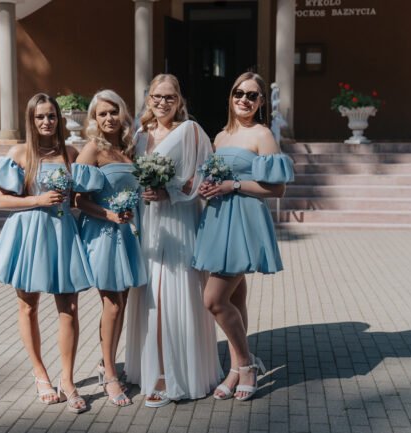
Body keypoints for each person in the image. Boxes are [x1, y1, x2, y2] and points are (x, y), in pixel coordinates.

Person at [0, 93, 92, 414]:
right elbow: (0, 202)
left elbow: (79, 198)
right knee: (28, 306)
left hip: (62, 234)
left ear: (59, 119)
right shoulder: (19, 154)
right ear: (31, 120)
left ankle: (68, 380)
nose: (47, 122)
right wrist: (37, 200)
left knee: (69, 307)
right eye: (40, 117)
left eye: (51, 116)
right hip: (29, 234)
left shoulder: (71, 154)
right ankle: (40, 374)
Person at [192, 72, 294, 400]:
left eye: (252, 95)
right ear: (231, 96)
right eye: (239, 93)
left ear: (262, 102)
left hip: (243, 220)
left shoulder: (262, 134)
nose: (244, 100)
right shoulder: (220, 136)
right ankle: (237, 368)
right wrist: (207, 187)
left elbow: (277, 188)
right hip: (217, 219)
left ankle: (247, 365)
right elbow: (212, 177)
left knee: (214, 300)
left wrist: (232, 185)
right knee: (235, 299)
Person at [125, 74, 222, 407]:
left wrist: (172, 193)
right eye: (157, 96)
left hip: (179, 221)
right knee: (151, 294)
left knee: (173, 293)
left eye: (169, 97)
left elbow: (205, 174)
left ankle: (172, 373)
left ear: (179, 100)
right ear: (148, 99)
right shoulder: (139, 135)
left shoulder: (191, 131)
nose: (162, 103)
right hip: (149, 223)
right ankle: (150, 365)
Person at [72, 90, 146, 407]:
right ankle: (111, 376)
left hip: (127, 234)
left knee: (121, 302)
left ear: (122, 114)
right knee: (112, 304)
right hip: (102, 233)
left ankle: (107, 362)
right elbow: (78, 200)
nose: (109, 118)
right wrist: (110, 215)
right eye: (102, 113)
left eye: (113, 111)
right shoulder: (93, 149)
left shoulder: (128, 149)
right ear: (94, 118)